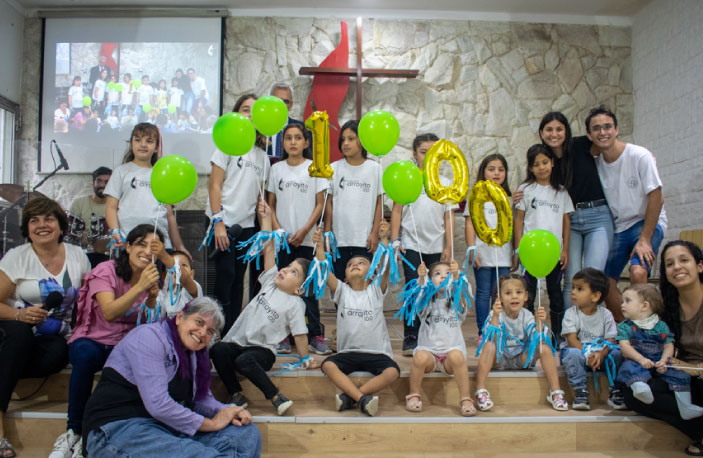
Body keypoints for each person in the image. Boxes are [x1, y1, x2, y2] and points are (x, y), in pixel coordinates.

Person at [82, 297, 262, 458]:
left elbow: (202, 399)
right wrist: (211, 424)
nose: (202, 333)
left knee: (246, 434)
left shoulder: (196, 354)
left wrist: (229, 411)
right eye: (199, 322)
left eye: (210, 331)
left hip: (166, 429)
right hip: (120, 428)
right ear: (180, 317)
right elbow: (158, 405)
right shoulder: (149, 337)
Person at [48, 225, 164, 458]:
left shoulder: (151, 277)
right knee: (85, 356)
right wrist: (140, 287)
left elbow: (147, 323)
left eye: (153, 247)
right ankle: (74, 431)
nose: (146, 251)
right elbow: (110, 311)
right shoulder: (106, 270)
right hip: (94, 338)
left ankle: (100, 433)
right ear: (128, 246)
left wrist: (151, 297)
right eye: (141, 244)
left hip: (125, 344)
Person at [0, 197, 91, 458]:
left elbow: (87, 301)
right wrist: (19, 316)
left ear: (61, 226)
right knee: (18, 337)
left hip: (51, 338)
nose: (42, 225)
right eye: (34, 220)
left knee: (59, 352)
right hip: (13, 329)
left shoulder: (78, 256)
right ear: (27, 228)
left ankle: (7, 367)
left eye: (49, 219)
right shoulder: (17, 257)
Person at [210, 199, 316, 416]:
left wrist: (305, 359)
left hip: (262, 352)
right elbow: (269, 249)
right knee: (218, 350)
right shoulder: (270, 281)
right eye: (287, 267)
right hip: (238, 343)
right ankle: (235, 393)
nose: (285, 271)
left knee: (244, 361)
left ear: (300, 290)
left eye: (293, 273)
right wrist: (266, 219)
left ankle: (275, 396)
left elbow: (300, 334)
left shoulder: (295, 304)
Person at [588, 106, 667, 321]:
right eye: (596, 129)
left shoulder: (639, 155)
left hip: (646, 222)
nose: (603, 132)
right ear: (590, 135)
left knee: (638, 272)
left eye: (607, 127)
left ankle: (644, 327)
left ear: (616, 129)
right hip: (619, 227)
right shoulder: (595, 163)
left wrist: (645, 239)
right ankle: (626, 327)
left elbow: (657, 197)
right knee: (603, 282)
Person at [624, 241, 703, 455]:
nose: (676, 267)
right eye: (669, 264)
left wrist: (691, 367)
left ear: (700, 266)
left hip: (696, 372)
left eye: (684, 260)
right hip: (686, 378)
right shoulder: (667, 307)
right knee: (634, 391)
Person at [315, 221, 400, 417]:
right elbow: (324, 270)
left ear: (371, 275)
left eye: (361, 263)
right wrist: (319, 246)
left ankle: (353, 396)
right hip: (348, 352)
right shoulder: (342, 291)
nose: (355, 265)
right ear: (344, 277)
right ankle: (362, 399)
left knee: (393, 372)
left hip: (377, 353)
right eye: (350, 264)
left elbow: (386, 266)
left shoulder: (376, 291)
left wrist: (384, 239)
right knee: (328, 365)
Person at [533, 112, 615, 312]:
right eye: (549, 129)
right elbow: (537, 185)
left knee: (594, 276)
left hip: (597, 216)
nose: (554, 134)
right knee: (571, 278)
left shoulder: (581, 145)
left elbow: (605, 147)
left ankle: (594, 330)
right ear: (541, 133)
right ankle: (569, 332)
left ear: (566, 131)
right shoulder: (546, 160)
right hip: (570, 221)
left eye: (559, 129)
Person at [206, 94, 269, 333]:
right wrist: (218, 221)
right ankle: (213, 331)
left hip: (246, 227)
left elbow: (260, 195)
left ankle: (230, 333)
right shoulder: (226, 146)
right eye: (245, 109)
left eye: (255, 111)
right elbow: (214, 186)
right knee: (225, 277)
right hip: (222, 222)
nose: (250, 115)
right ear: (236, 114)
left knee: (237, 281)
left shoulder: (262, 157)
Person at [266, 123, 330, 355]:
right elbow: (270, 205)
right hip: (284, 241)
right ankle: (282, 335)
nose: (293, 142)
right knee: (282, 286)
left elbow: (320, 204)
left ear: (306, 142)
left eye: (298, 138)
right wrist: (279, 230)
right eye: (288, 138)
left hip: (306, 240)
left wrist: (304, 230)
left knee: (308, 289)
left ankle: (314, 334)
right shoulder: (276, 170)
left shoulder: (314, 168)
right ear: (282, 143)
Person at [390, 133, 454, 355]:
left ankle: (434, 334)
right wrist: (395, 239)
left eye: (434, 152)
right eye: (424, 152)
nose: (429, 156)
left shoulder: (445, 183)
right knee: (413, 288)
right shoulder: (407, 178)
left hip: (436, 245)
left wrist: (449, 246)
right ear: (414, 154)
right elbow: (397, 210)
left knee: (436, 290)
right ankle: (411, 335)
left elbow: (448, 217)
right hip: (411, 244)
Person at [474, 273, 568, 412]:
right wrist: (494, 316)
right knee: (489, 346)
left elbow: (535, 339)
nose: (514, 296)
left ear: (525, 296)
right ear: (499, 297)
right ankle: (480, 391)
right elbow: (492, 338)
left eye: (518, 292)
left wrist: (539, 323)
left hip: (522, 359)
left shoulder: (527, 315)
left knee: (544, 348)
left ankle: (555, 392)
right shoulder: (495, 314)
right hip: (500, 359)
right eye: (507, 293)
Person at [616, 283, 703, 421]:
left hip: (658, 360)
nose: (622, 305)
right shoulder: (626, 326)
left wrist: (664, 360)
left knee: (679, 374)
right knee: (630, 368)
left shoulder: (661, 325)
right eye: (622, 301)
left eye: (627, 301)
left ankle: (685, 406)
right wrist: (641, 359)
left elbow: (668, 345)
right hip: (638, 360)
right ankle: (640, 388)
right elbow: (624, 345)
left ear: (644, 305)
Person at [514, 144, 574, 337]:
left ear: (552, 163)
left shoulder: (561, 192)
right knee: (528, 294)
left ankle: (557, 335)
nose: (541, 167)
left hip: (554, 254)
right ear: (530, 167)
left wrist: (565, 250)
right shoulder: (525, 189)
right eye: (536, 164)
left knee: (555, 293)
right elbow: (519, 220)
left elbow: (566, 221)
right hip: (530, 253)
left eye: (545, 162)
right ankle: (530, 333)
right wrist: (518, 249)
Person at [105, 122, 188, 255]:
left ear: (156, 148)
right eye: (138, 140)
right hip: (128, 241)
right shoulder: (121, 172)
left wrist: (179, 246)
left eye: (149, 141)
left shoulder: (162, 175)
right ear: (131, 144)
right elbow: (111, 207)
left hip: (158, 244)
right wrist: (115, 231)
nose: (143, 144)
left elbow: (169, 215)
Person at [406, 260, 475, 416]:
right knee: (419, 356)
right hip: (430, 356)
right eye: (438, 273)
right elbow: (419, 298)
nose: (443, 276)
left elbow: (463, 295)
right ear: (431, 280)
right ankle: (413, 395)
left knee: (457, 356)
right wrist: (422, 280)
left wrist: (456, 275)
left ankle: (465, 398)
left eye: (447, 273)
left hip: (450, 357)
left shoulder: (456, 303)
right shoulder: (427, 303)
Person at [325, 120, 383, 281]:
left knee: (363, 284)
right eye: (343, 139)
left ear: (362, 140)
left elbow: (379, 204)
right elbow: (328, 203)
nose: (346, 143)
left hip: (364, 239)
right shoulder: (334, 168)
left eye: (351, 138)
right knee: (340, 285)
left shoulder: (375, 169)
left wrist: (374, 233)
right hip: (339, 239)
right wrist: (327, 232)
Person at [464, 153, 513, 338]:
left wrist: (515, 252)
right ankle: (483, 331)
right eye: (491, 169)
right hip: (482, 253)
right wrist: (471, 248)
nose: (496, 173)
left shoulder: (508, 198)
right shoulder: (476, 196)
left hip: (504, 255)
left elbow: (513, 227)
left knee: (501, 293)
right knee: (484, 292)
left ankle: (500, 329)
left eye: (501, 169)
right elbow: (469, 223)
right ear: (483, 172)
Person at [559, 267, 623, 410]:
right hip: (578, 349)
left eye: (580, 289)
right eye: (573, 287)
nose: (573, 292)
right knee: (572, 354)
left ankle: (617, 389)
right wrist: (587, 354)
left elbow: (611, 339)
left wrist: (601, 354)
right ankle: (580, 390)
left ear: (595, 296)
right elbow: (572, 340)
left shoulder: (606, 314)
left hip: (601, 353)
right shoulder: (571, 313)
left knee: (618, 353)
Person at [70, 166, 113, 267]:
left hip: (109, 254)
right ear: (93, 182)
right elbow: (72, 232)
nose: (102, 185)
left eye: (107, 182)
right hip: (85, 254)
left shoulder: (116, 205)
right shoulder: (79, 203)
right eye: (99, 181)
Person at [267, 83, 304, 161]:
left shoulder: (302, 129)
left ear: (291, 105)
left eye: (285, 101)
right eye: (277, 100)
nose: (281, 105)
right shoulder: (258, 129)